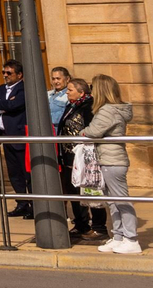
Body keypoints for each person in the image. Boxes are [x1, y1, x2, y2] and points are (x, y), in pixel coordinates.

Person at [81, 73, 138, 255]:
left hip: (113, 160)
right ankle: (119, 236)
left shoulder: (107, 111)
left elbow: (92, 131)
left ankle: (132, 239)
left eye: (92, 88)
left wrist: (83, 132)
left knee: (121, 200)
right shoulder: (111, 109)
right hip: (108, 159)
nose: (90, 92)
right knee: (113, 201)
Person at [55, 76, 107, 242]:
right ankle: (81, 224)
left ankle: (99, 227)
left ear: (81, 92)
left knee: (91, 190)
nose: (67, 93)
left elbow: (91, 129)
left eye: (70, 90)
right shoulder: (71, 105)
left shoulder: (89, 106)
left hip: (84, 157)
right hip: (69, 156)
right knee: (74, 192)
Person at [0, 59, 31, 218]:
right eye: (3, 72)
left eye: (9, 73)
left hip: (19, 136)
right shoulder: (2, 88)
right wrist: (3, 104)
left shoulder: (23, 89)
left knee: (27, 173)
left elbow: (15, 105)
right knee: (14, 173)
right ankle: (22, 203)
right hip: (6, 137)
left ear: (19, 75)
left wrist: (1, 104)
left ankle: (34, 204)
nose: (5, 75)